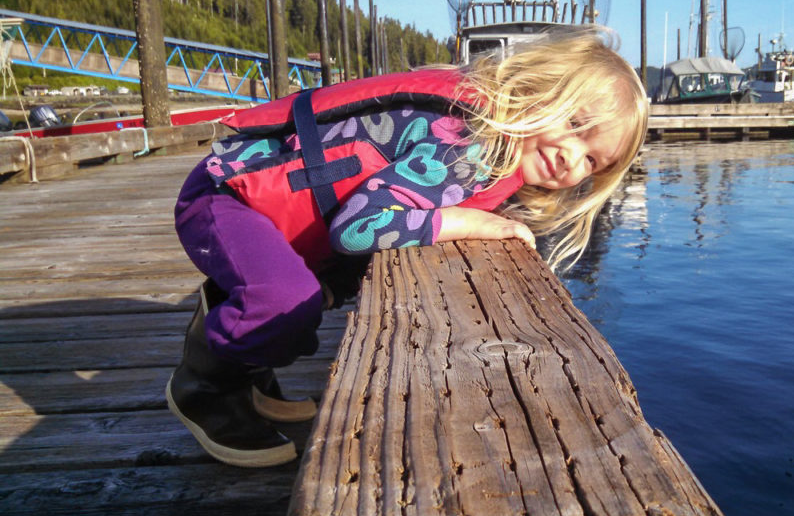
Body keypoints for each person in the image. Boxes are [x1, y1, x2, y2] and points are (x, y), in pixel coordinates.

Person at [166, 27, 649, 468]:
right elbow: (357, 229)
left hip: (262, 212)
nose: (572, 155)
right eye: (576, 125)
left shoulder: (496, 158)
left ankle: (245, 357)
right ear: (540, 90)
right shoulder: (466, 145)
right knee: (286, 301)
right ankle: (206, 385)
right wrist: (469, 221)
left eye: (593, 158)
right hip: (227, 194)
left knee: (302, 295)